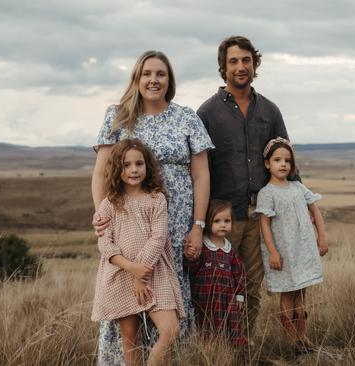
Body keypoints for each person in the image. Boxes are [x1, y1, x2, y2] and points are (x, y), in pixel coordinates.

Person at [92, 50, 214, 365]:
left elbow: (201, 174)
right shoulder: (117, 116)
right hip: (127, 230)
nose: (153, 80)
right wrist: (102, 217)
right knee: (128, 306)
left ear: (169, 80)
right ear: (137, 78)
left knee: (169, 308)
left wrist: (197, 226)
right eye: (147, 73)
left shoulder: (186, 117)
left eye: (161, 74)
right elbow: (101, 171)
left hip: (174, 229)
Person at [197, 35, 293, 338]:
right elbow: (199, 170)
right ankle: (214, 348)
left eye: (246, 60)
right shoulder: (207, 113)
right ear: (223, 68)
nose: (241, 67)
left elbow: (288, 160)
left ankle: (244, 347)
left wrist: (301, 209)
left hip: (259, 216)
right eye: (234, 61)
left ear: (255, 64)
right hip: (222, 216)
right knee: (216, 285)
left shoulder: (270, 111)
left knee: (251, 286)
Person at [91, 139, 184, 366]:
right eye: (126, 165)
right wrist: (133, 270)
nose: (133, 170)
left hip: (155, 271)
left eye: (139, 164)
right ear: (116, 169)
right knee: (131, 340)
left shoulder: (156, 199)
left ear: (147, 167)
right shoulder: (109, 204)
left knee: (170, 331)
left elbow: (158, 238)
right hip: (121, 274)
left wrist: (141, 274)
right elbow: (105, 245)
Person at [254, 137, 328, 354]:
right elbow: (264, 225)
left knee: (302, 292)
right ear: (267, 164)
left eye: (287, 160)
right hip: (284, 253)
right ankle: (291, 341)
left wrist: (321, 237)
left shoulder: (298, 187)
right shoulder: (266, 193)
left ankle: (303, 337)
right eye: (277, 159)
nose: (283, 164)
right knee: (287, 293)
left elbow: (315, 211)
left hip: (303, 250)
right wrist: (273, 252)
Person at [187, 199, 247, 346]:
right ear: (208, 222)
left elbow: (239, 273)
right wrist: (192, 257)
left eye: (227, 221)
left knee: (225, 327)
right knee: (205, 327)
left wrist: (240, 295)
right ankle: (206, 353)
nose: (223, 225)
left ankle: (224, 352)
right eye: (217, 221)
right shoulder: (202, 245)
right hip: (205, 297)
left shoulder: (229, 249)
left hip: (226, 298)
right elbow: (192, 270)